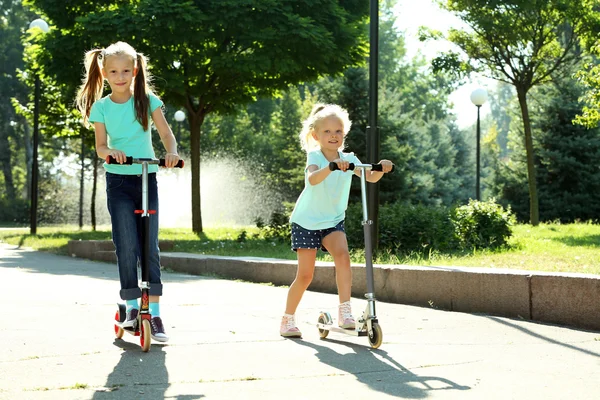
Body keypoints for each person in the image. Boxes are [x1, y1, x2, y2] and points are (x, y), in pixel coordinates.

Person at [76, 41, 180, 342]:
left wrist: (171, 153)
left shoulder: (147, 100)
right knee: (127, 245)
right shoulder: (102, 107)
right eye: (113, 71)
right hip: (119, 182)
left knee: (150, 246)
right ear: (104, 73)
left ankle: (156, 315)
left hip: (147, 177)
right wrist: (112, 151)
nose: (120, 76)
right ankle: (132, 307)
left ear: (134, 70)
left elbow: (165, 133)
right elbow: (100, 147)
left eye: (125, 70)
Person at [280, 103, 394, 338]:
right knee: (305, 275)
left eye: (338, 131)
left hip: (332, 221)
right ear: (316, 135)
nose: (333, 136)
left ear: (344, 133)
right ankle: (288, 319)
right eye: (327, 132)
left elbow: (370, 177)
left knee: (343, 256)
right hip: (306, 221)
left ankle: (345, 311)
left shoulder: (349, 158)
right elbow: (311, 179)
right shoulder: (315, 156)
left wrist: (381, 168)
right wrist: (331, 167)